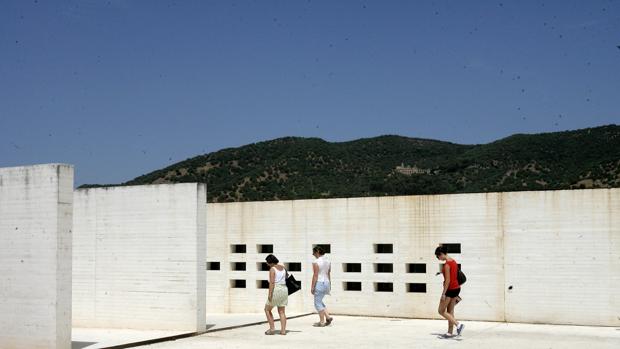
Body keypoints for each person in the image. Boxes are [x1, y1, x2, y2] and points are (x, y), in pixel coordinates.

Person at [435, 245, 464, 338]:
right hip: (456, 288)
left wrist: (443, 294)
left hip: (450, 290)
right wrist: (441, 272)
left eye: (438, 256)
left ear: (441, 254)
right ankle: (450, 332)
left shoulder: (447, 264)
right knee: (450, 311)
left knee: (441, 311)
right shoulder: (453, 261)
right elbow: (453, 273)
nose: (438, 258)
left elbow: (447, 280)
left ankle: (458, 325)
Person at [264, 254, 288, 335]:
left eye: (267, 262)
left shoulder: (272, 269)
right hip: (284, 289)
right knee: (282, 312)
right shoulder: (283, 268)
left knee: (267, 309)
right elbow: (285, 278)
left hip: (276, 289)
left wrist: (270, 294)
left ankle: (272, 329)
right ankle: (283, 331)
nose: (267, 264)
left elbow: (272, 283)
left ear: (270, 262)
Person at [311, 245, 333, 327]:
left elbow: (315, 275)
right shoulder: (328, 261)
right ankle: (328, 317)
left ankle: (322, 322)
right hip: (326, 283)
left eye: (314, 252)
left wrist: (312, 287)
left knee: (317, 303)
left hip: (319, 283)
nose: (313, 254)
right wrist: (330, 284)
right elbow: (328, 273)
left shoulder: (316, 262)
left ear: (317, 252)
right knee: (320, 301)